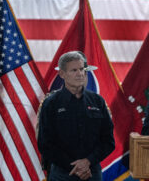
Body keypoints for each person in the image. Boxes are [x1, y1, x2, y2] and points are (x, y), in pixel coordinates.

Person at [37, 51, 115, 181]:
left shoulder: (97, 101)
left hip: (92, 172)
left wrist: (88, 162)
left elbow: (108, 141)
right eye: (74, 70)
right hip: (62, 174)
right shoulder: (51, 104)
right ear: (62, 74)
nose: (79, 74)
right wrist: (74, 167)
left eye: (81, 69)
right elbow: (45, 143)